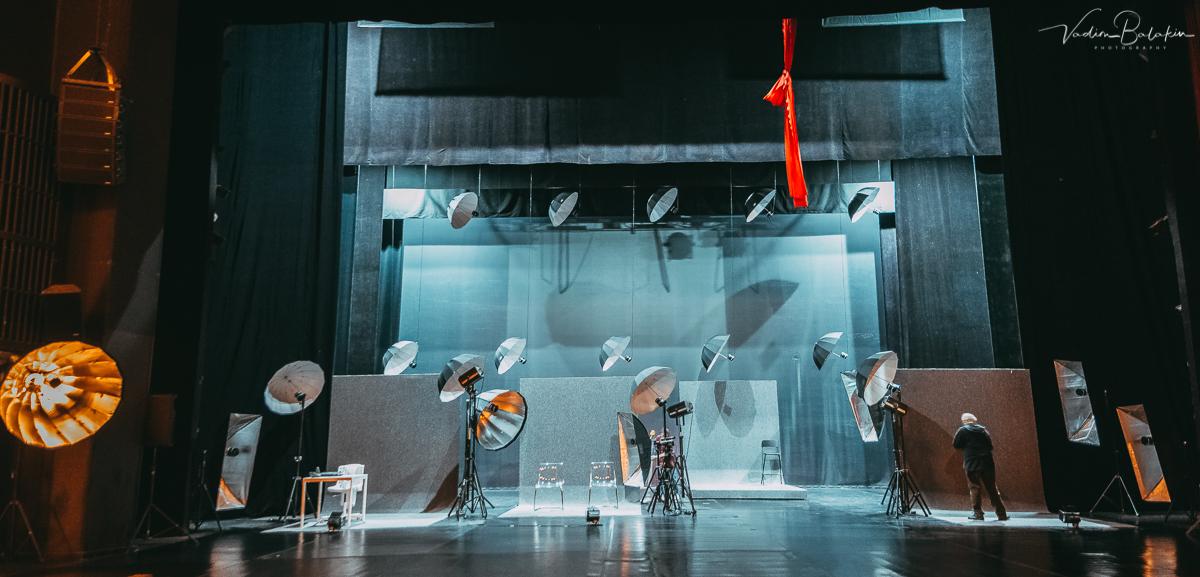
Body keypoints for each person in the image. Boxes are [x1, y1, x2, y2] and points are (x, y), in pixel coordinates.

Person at [952, 413, 1008, 521]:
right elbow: (990, 446)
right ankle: (1002, 514)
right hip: (987, 463)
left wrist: (968, 447)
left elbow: (956, 445)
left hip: (972, 463)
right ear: (974, 420)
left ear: (964, 421)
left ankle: (978, 514)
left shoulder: (962, 431)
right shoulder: (983, 430)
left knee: (975, 488)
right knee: (992, 488)